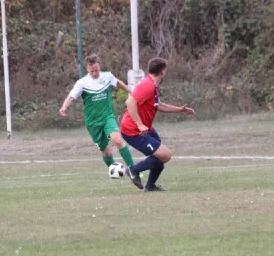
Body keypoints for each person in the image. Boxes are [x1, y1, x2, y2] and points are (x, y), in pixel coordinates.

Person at [59, 54, 139, 186]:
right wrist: (64, 106)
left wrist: (131, 91)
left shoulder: (107, 76)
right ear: (87, 69)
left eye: (96, 70)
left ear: (99, 66)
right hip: (93, 123)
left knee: (117, 139)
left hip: (108, 117)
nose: (95, 73)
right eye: (92, 71)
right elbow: (71, 96)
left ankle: (132, 170)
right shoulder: (82, 83)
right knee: (105, 151)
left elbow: (119, 83)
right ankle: (116, 169)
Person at [120, 58, 195, 191]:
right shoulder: (147, 85)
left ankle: (150, 186)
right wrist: (139, 124)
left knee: (160, 155)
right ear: (163, 72)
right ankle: (133, 170)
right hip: (133, 130)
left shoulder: (152, 85)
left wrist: (179, 110)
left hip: (145, 128)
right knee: (165, 155)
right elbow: (129, 102)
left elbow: (158, 105)